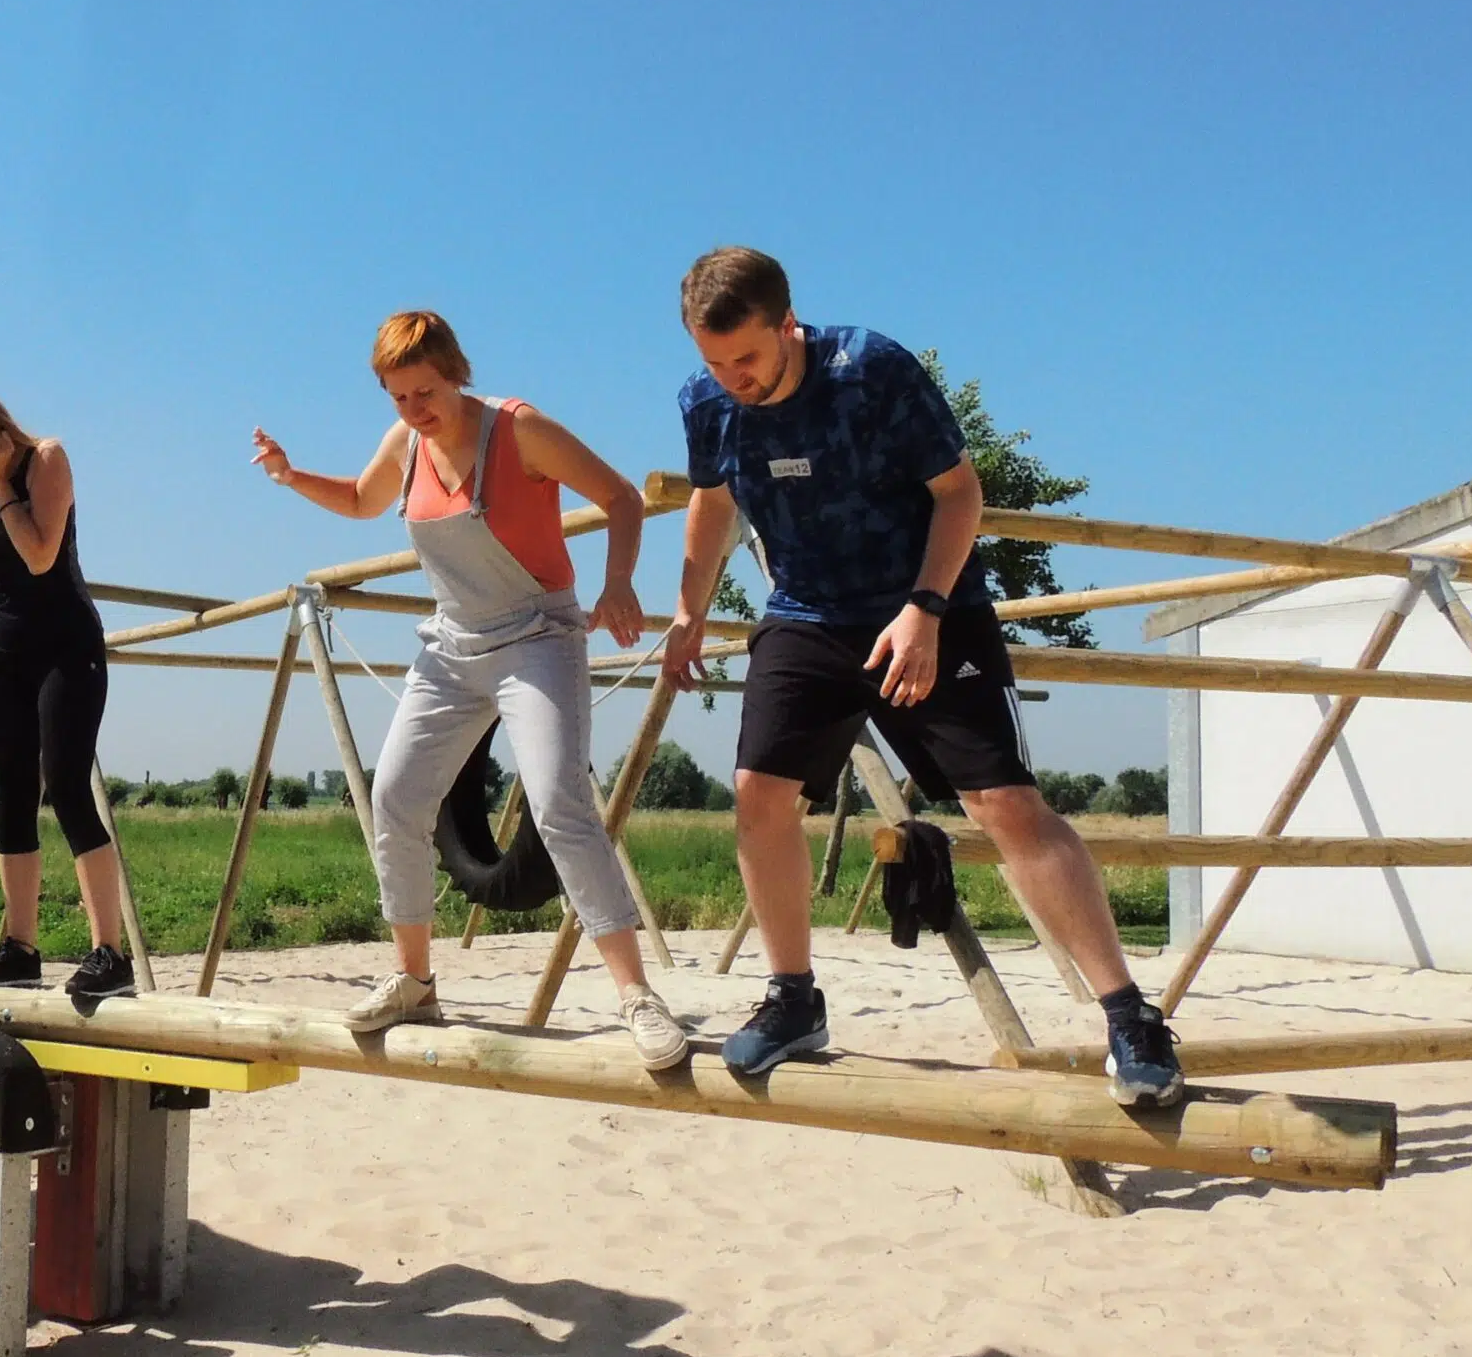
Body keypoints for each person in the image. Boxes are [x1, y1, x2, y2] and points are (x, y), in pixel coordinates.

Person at [660, 247, 1184, 1105]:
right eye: (714, 362)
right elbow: (713, 501)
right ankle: (794, 999)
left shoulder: (871, 369)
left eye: (745, 358)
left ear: (787, 324)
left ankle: (1130, 1016)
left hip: (928, 604)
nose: (732, 379)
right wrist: (688, 608)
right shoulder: (706, 400)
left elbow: (959, 492)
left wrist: (925, 609)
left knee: (1004, 803)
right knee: (758, 792)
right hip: (807, 612)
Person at [251, 311, 694, 1071]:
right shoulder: (406, 443)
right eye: (398, 398)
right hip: (453, 645)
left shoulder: (520, 430)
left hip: (536, 638)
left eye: (425, 392)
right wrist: (293, 477)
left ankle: (637, 995)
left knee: (558, 803)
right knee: (394, 798)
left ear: (456, 372)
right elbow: (360, 499)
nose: (414, 410)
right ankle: (415, 982)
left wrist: (619, 581)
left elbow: (621, 497)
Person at [0, 377, 135, 1000]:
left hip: (66, 648)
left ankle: (109, 953)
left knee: (66, 786)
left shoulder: (46, 459)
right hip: (1, 651)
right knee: (11, 793)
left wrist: (1, 484)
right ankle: (20, 948)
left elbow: (39, 555)